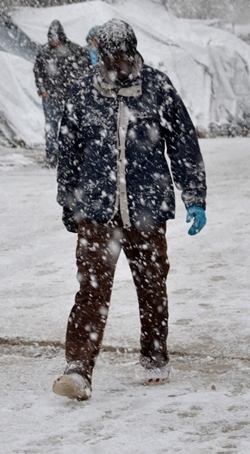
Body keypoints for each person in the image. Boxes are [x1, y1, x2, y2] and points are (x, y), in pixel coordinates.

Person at [52, 19, 207, 401]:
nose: (116, 64)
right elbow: (68, 154)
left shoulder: (157, 87)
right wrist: (69, 202)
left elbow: (183, 143)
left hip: (147, 210)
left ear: (133, 52)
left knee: (152, 286)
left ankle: (154, 354)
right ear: (100, 55)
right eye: (109, 57)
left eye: (123, 56)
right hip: (97, 211)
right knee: (90, 292)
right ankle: (78, 369)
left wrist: (195, 196)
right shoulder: (83, 94)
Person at [33, 20, 92, 167]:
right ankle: (52, 155)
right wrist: (42, 89)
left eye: (55, 38)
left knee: (71, 125)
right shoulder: (44, 52)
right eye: (50, 38)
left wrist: (77, 87)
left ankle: (70, 154)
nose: (53, 42)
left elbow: (85, 67)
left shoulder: (74, 50)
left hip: (69, 95)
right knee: (51, 126)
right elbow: (38, 71)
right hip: (51, 95)